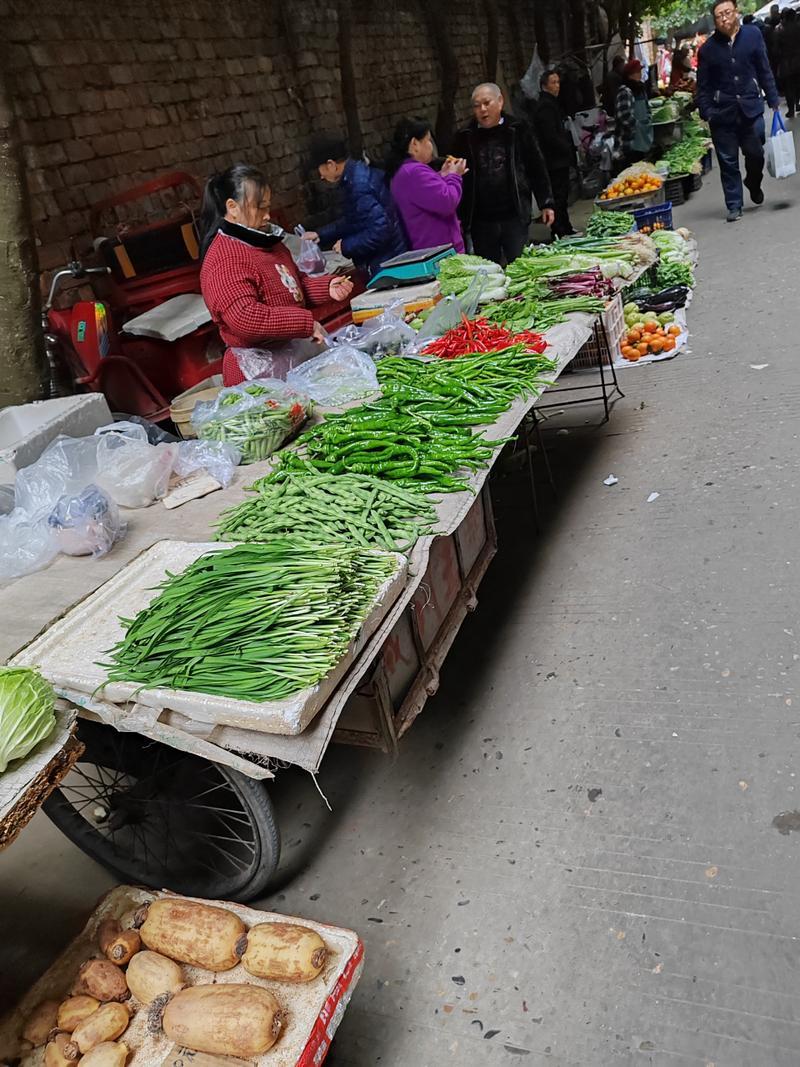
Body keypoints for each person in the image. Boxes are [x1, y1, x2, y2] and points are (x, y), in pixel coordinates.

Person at [199, 164, 352, 387]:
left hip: (290, 360)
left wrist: (327, 287)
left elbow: (293, 287)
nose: (268, 215)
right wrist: (306, 324)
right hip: (255, 374)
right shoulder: (224, 258)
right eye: (260, 208)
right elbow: (246, 319)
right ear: (232, 207)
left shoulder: (268, 242)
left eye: (268, 206)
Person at [451, 82, 555, 265]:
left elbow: (536, 167)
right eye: (476, 105)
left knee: (520, 266)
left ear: (500, 101)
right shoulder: (464, 137)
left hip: (514, 213)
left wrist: (546, 202)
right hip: (481, 219)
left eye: (486, 103)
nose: (482, 110)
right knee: (489, 271)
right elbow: (459, 177)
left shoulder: (518, 129)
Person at [697, 0, 780, 222]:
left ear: (736, 12)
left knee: (756, 154)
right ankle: (734, 205)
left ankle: (753, 181)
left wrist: (773, 99)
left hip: (751, 108)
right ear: (714, 21)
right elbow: (702, 87)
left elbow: (764, 69)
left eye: (727, 13)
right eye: (719, 16)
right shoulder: (707, 49)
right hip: (721, 114)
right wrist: (707, 112)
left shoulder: (752, 35)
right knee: (728, 162)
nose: (724, 18)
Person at [301, 134, 407, 278]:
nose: (321, 176)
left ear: (331, 164)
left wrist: (346, 245)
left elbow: (380, 230)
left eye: (320, 169)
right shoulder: (355, 177)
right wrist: (321, 234)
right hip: (387, 257)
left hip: (388, 262)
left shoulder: (359, 185)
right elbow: (354, 220)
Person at [384, 118, 467, 252]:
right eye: (428, 140)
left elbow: (427, 195)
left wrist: (442, 176)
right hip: (439, 252)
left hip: (434, 248)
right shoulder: (414, 172)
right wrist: (454, 176)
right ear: (414, 143)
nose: (431, 145)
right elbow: (447, 201)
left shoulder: (406, 171)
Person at [534, 70, 577, 239]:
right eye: (553, 82)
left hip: (559, 159)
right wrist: (566, 147)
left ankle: (566, 227)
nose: (557, 86)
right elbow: (549, 135)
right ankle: (559, 230)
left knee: (563, 195)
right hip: (554, 160)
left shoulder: (552, 103)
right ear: (544, 85)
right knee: (558, 196)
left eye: (558, 82)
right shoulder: (545, 106)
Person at [615, 59, 654, 166]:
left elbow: (647, 108)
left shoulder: (640, 89)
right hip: (630, 143)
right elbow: (623, 116)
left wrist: (647, 121)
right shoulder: (625, 91)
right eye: (638, 71)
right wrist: (638, 126)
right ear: (631, 74)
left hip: (643, 139)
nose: (640, 74)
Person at [777, 8, 800, 117]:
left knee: (789, 88)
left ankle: (791, 110)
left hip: (787, 63)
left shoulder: (780, 31)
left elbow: (775, 49)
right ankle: (798, 103)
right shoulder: (798, 28)